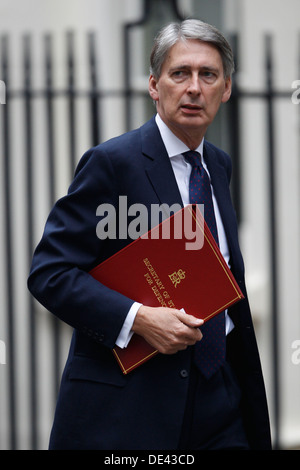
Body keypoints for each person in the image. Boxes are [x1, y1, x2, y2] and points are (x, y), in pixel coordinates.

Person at [28, 19, 272, 450]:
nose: (194, 88)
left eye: (208, 75)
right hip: (137, 409)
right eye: (180, 74)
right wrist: (138, 319)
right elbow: (50, 271)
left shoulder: (218, 164)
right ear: (154, 86)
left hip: (224, 397)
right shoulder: (112, 163)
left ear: (227, 88)